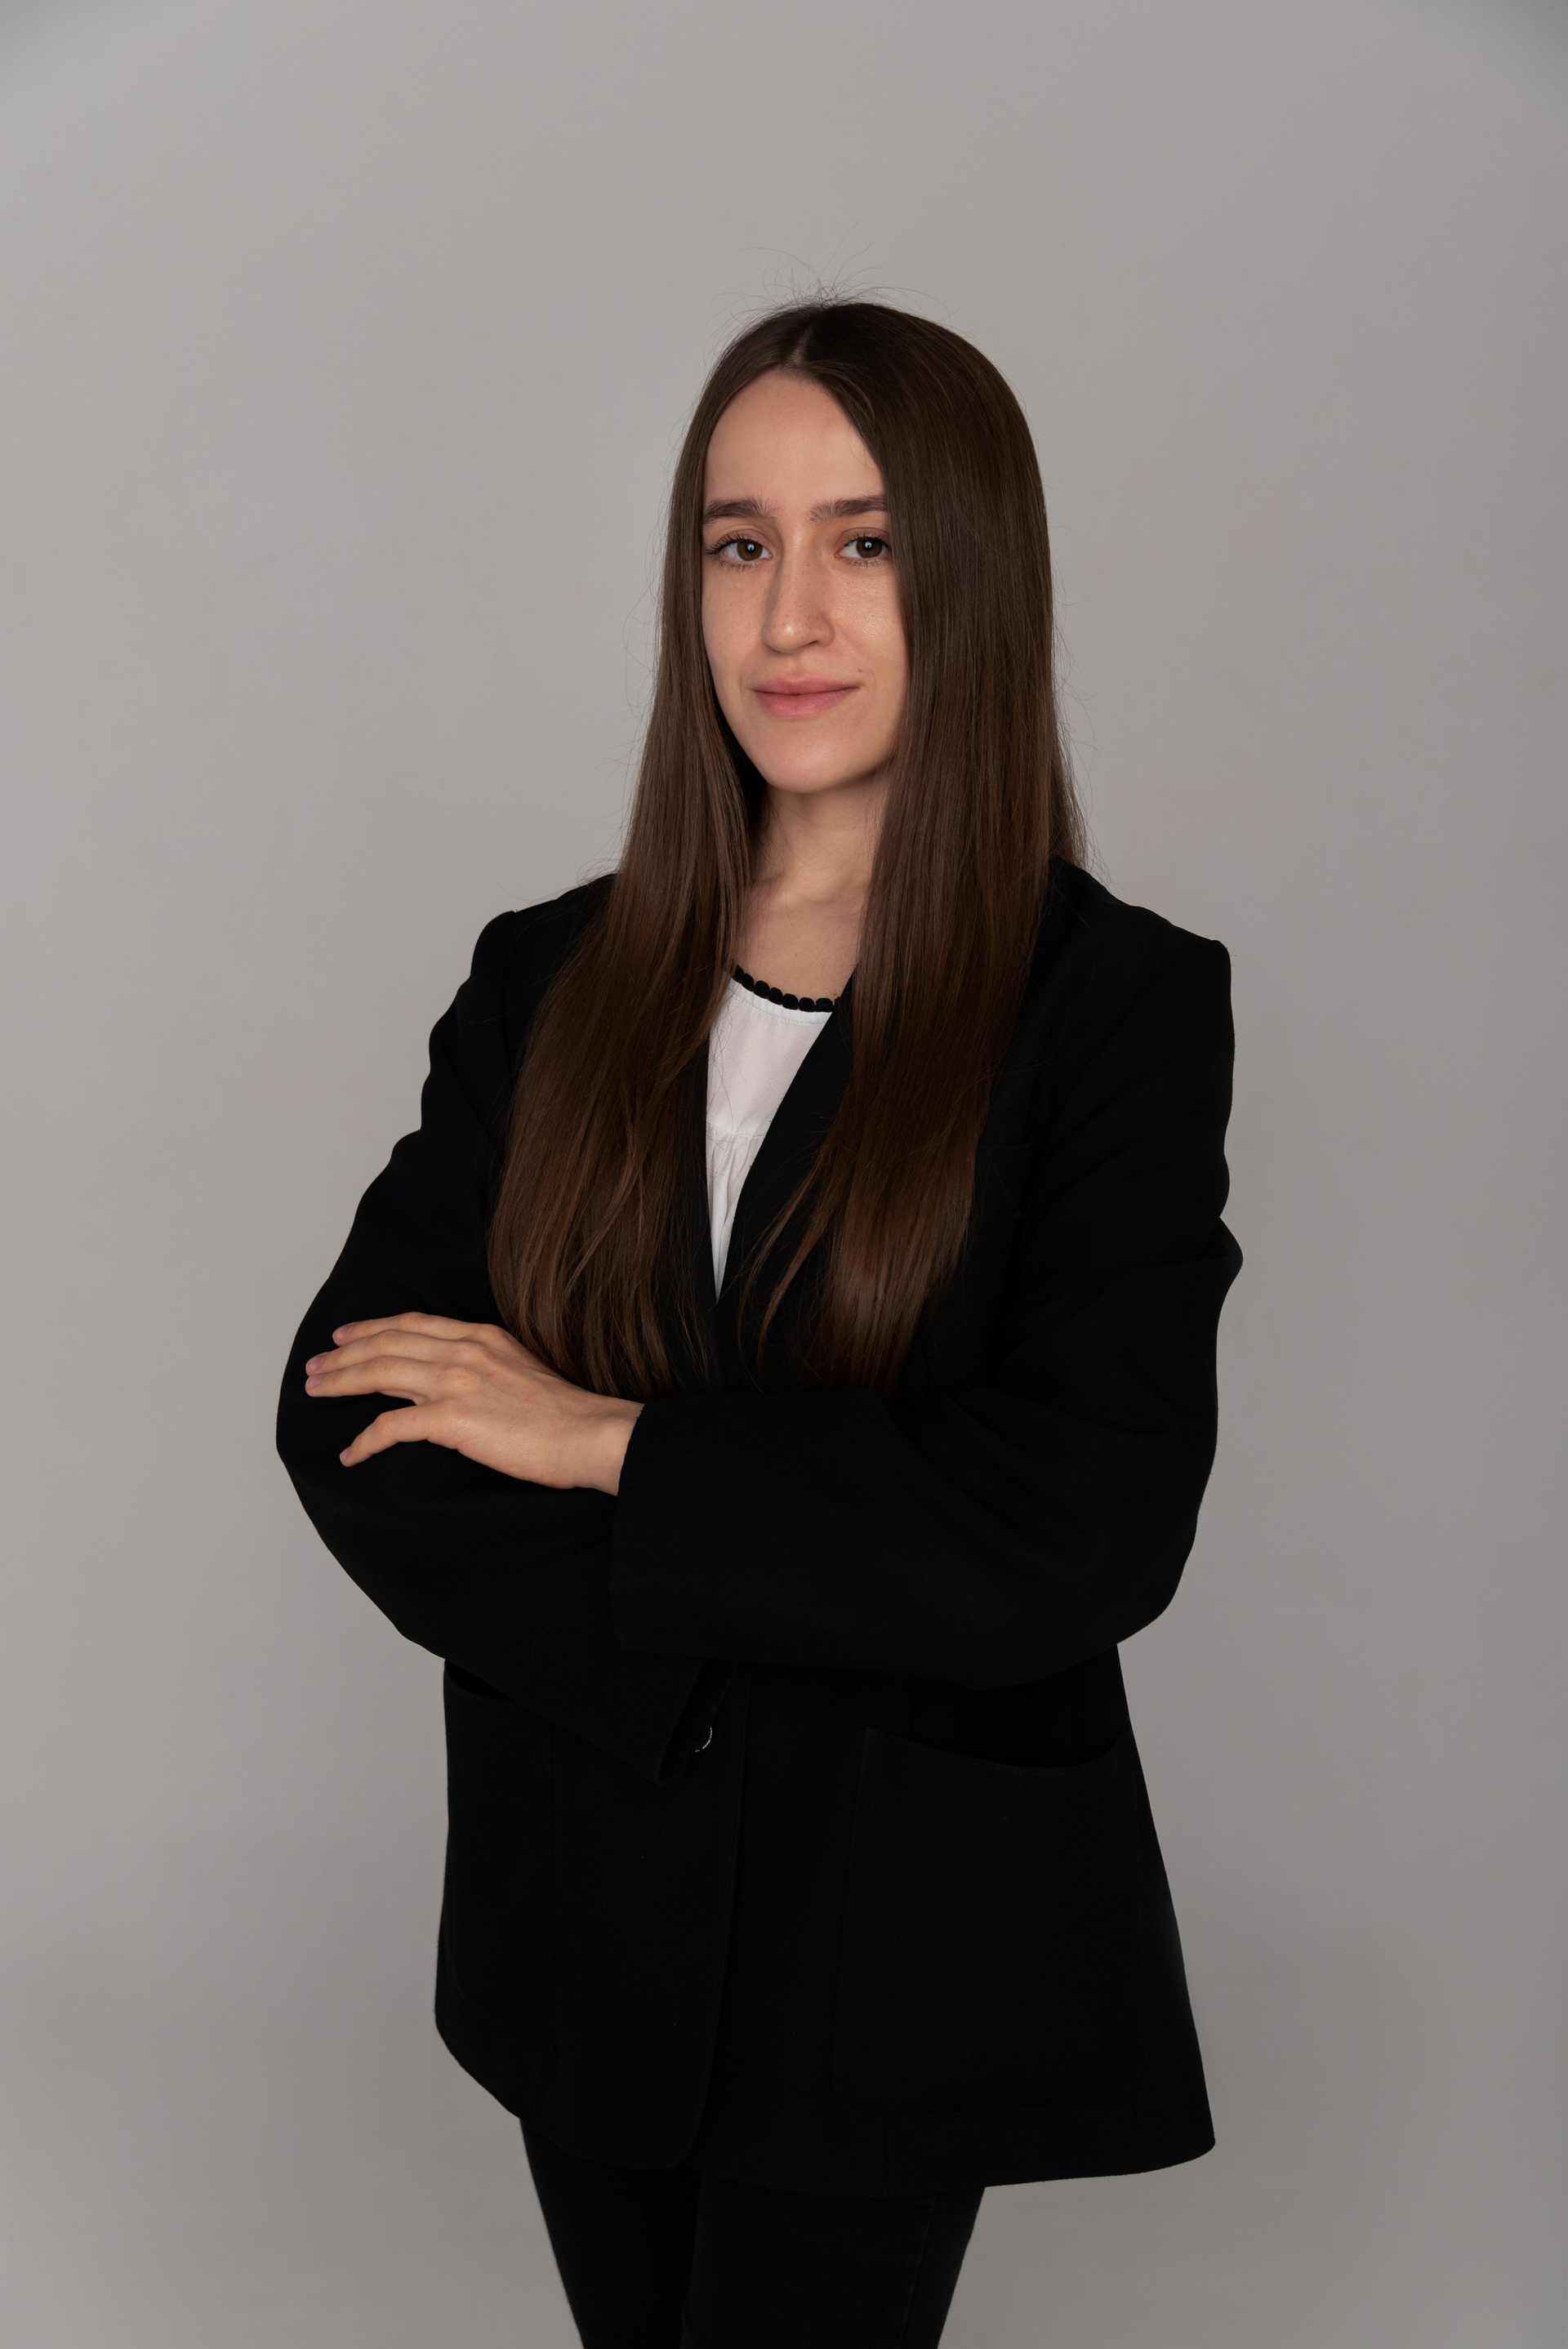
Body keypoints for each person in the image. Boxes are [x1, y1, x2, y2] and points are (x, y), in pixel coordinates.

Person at [277, 298, 1241, 2348]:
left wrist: (613, 1442)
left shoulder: (1116, 1013)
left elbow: (1087, 1516)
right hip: (581, 1905)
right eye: (739, 543)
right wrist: (778, 1596)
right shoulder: (550, 978)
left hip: (899, 1943)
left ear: (975, 574)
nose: (789, 613)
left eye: (863, 541)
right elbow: (362, 1412)